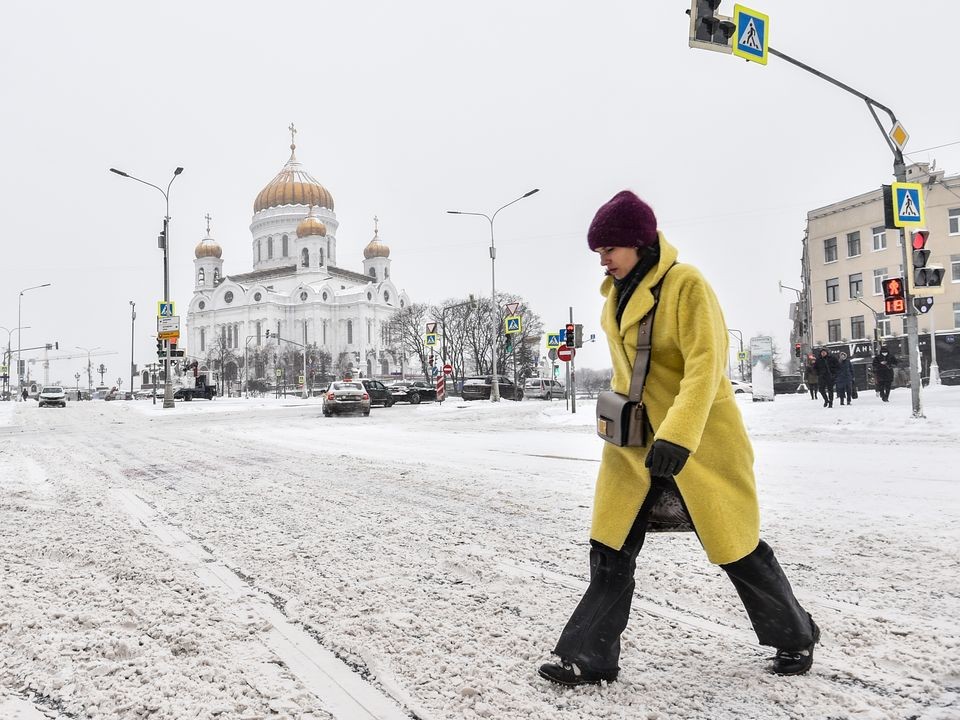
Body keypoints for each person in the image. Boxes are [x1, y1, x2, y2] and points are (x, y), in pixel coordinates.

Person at [538, 191, 819, 687]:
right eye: (598, 251)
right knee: (610, 547)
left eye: (609, 249)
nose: (602, 260)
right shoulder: (615, 295)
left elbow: (706, 366)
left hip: (697, 442)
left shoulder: (686, 284)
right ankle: (590, 657)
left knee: (735, 546)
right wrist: (615, 421)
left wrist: (678, 435)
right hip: (634, 446)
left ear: (638, 243)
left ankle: (795, 635)